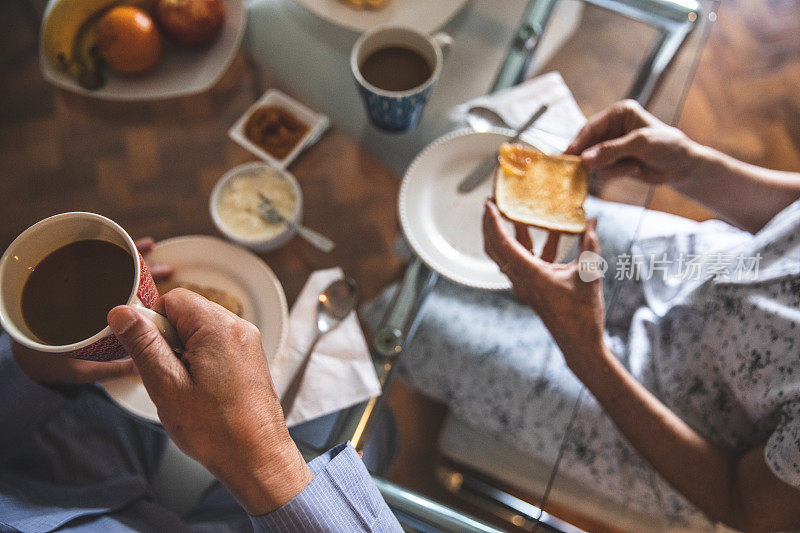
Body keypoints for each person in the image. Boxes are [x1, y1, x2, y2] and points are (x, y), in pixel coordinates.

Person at [479, 100, 800, 531]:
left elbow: (746, 504)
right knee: (478, 208)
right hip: (691, 266)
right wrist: (690, 165)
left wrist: (585, 353)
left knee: (417, 329)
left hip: (665, 413)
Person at [0, 239, 403, 531]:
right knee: (370, 425)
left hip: (71, 439)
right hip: (166, 511)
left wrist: (24, 367)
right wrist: (263, 461)